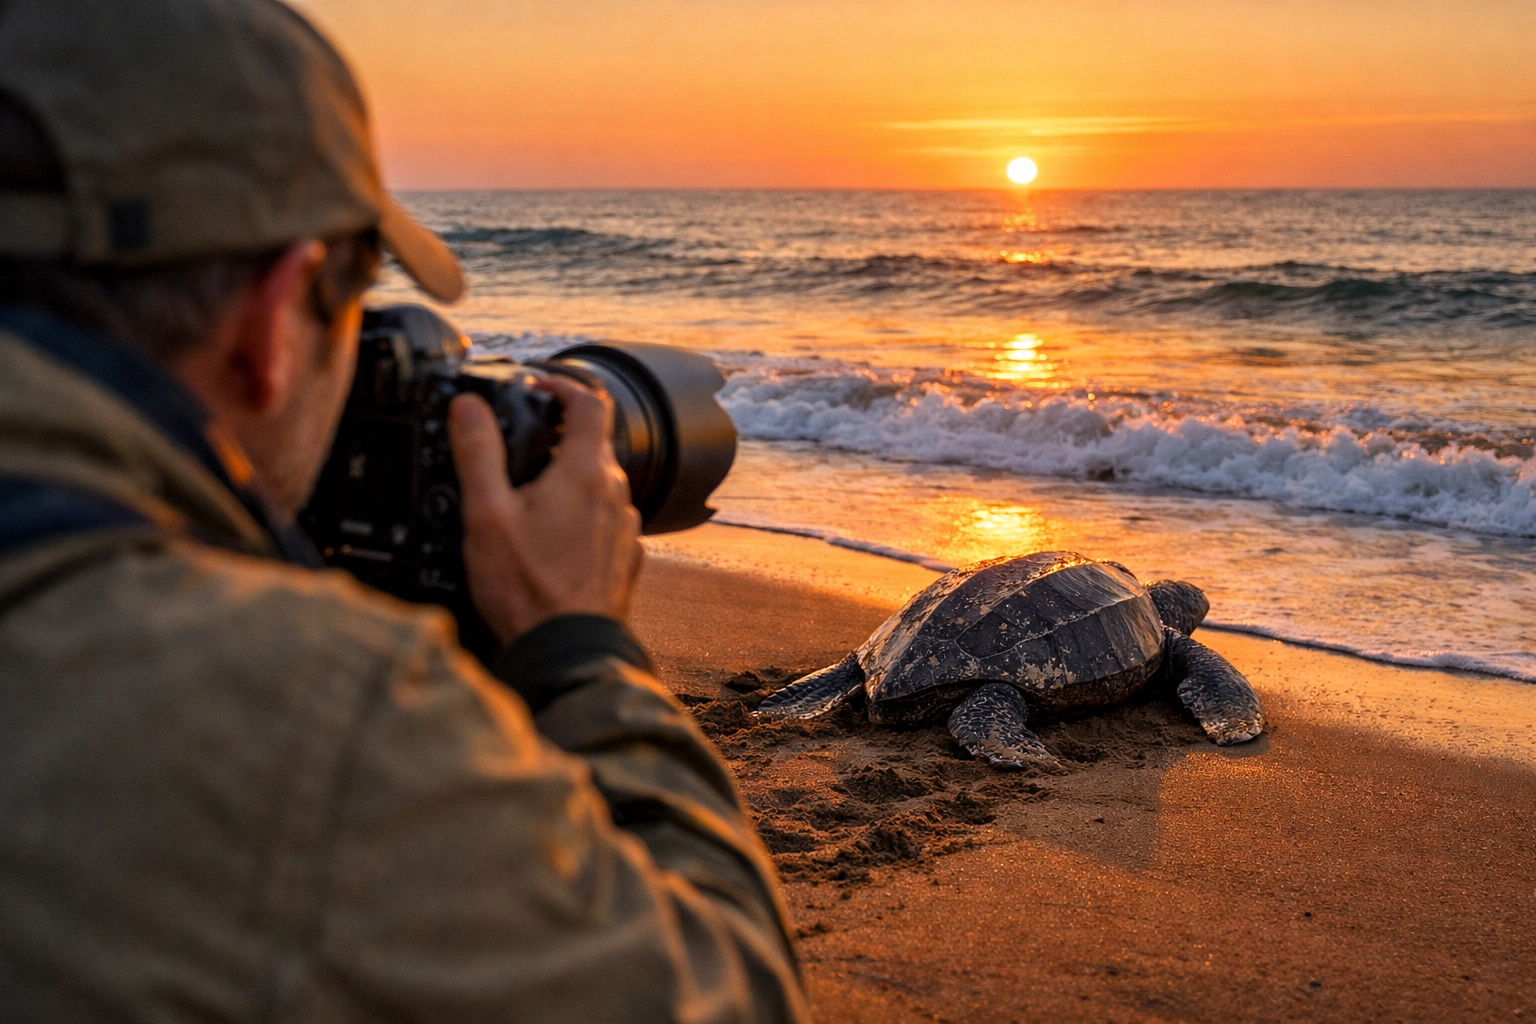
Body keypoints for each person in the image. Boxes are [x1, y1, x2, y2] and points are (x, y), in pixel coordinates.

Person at [0, 1, 806, 1020]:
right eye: (352, 305)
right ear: (271, 323)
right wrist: (578, 646)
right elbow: (730, 995)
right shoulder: (313, 713)